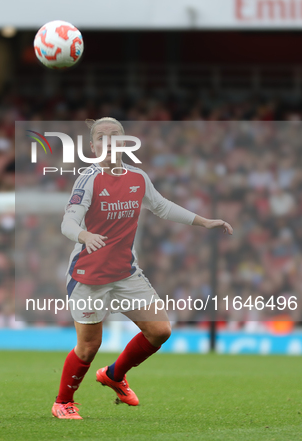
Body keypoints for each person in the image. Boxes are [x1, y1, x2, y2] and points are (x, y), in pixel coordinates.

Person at [52, 117, 233, 419]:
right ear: (93, 146)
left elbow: (161, 206)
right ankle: (63, 402)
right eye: (101, 137)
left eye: (115, 136)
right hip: (89, 277)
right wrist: (83, 234)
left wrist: (205, 221)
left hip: (125, 273)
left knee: (160, 331)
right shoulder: (88, 178)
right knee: (88, 347)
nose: (108, 142)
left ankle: (114, 374)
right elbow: (68, 220)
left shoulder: (137, 177)